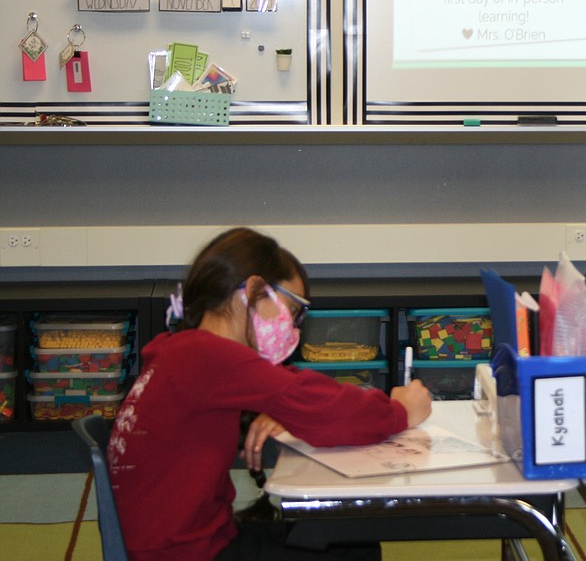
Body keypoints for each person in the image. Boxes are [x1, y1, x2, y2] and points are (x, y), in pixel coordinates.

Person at [108, 227, 433, 560]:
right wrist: (400, 409)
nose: (291, 327)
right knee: (355, 549)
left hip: (176, 541)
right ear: (252, 290)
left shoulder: (182, 349)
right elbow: (328, 410)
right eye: (290, 310)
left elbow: (288, 389)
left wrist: (278, 409)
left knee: (344, 539)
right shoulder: (209, 355)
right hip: (186, 552)